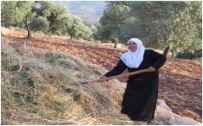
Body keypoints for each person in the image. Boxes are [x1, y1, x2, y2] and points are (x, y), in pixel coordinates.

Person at [101, 38, 166, 122]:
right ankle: (127, 117)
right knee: (129, 99)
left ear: (139, 44)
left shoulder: (148, 53)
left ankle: (144, 120)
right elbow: (118, 69)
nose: (131, 46)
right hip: (134, 81)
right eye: (129, 44)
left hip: (149, 82)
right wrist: (106, 76)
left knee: (145, 101)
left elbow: (162, 58)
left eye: (134, 43)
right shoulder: (125, 57)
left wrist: (154, 66)